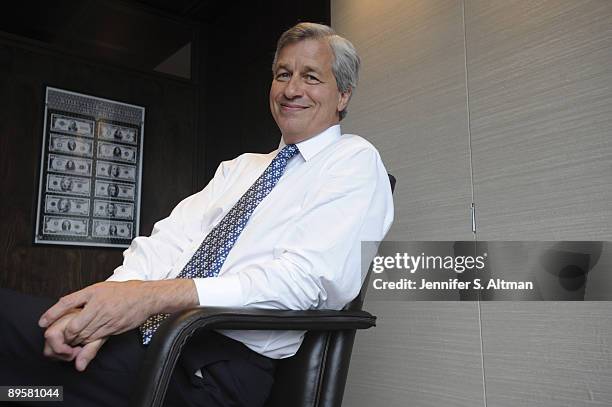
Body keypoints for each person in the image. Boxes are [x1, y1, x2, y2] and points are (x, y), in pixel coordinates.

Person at [0, 23, 393, 407]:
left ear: (342, 95)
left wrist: (150, 299)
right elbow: (167, 241)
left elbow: (305, 282)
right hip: (149, 336)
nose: (291, 89)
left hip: (213, 367)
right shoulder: (239, 168)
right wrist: (103, 316)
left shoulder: (353, 161)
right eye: (283, 74)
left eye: (311, 77)